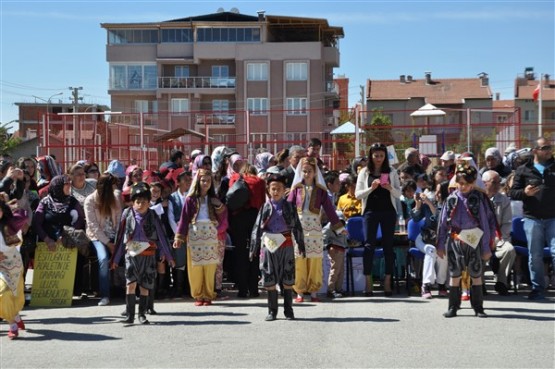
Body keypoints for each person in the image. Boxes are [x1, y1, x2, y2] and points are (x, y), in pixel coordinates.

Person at [437, 163, 496, 318]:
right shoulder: (451, 199)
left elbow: (484, 223)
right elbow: (443, 223)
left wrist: (486, 248)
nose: (463, 187)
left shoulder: (478, 200)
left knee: (476, 274)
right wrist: (440, 244)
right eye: (460, 183)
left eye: (467, 184)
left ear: (473, 183)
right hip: (455, 240)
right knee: (455, 274)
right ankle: (453, 307)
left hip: (474, 240)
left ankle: (478, 307)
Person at [111, 182, 175, 324]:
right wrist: (115, 259)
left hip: (148, 255)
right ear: (132, 202)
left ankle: (142, 314)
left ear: (149, 202)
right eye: (137, 202)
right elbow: (120, 237)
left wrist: (168, 256)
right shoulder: (127, 214)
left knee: (145, 285)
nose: (141, 205)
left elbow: (162, 237)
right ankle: (129, 314)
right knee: (131, 283)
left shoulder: (153, 215)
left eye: (144, 202)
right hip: (131, 255)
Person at [288, 157, 345, 302]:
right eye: (304, 171)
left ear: (315, 173)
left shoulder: (321, 191)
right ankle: (300, 291)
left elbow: (330, 210)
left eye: (309, 171)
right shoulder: (296, 189)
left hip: (314, 228)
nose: (306, 174)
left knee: (314, 259)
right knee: (299, 259)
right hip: (299, 228)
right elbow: (287, 208)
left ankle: (313, 291)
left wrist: (339, 228)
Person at [250, 172, 305, 320]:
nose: (276, 192)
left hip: (286, 243)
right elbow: (256, 228)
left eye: (279, 188)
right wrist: (254, 247)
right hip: (269, 244)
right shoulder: (265, 207)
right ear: (268, 189)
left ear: (284, 190)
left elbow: (297, 227)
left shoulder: (289, 207)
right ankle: (272, 311)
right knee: (269, 275)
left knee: (288, 276)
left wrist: (301, 244)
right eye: (273, 188)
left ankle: (288, 310)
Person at [173, 169, 228, 306]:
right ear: (198, 181)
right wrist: (179, 237)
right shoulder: (190, 199)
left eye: (208, 181)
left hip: (210, 235)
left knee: (209, 266)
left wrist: (220, 207)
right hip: (195, 235)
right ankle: (198, 295)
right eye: (203, 180)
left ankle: (208, 294)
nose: (206, 183)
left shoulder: (214, 199)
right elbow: (184, 219)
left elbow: (223, 217)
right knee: (196, 266)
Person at [509, 137, 555, 300]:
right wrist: (525, 193)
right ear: (535, 150)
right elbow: (512, 193)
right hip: (532, 219)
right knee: (535, 255)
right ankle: (537, 289)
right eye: (545, 148)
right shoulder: (523, 170)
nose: (549, 150)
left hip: (553, 218)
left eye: (550, 147)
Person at [355, 143, 401, 297]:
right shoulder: (364, 172)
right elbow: (358, 195)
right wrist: (371, 188)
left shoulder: (392, 171)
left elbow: (398, 194)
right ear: (371, 156)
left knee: (388, 246)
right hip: (370, 212)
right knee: (369, 245)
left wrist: (389, 188)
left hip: (388, 211)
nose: (378, 159)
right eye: (376, 156)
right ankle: (368, 281)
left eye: (381, 156)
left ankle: (388, 280)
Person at [228, 163, 266, 298]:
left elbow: (230, 197)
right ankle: (254, 289)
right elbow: (263, 202)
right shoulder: (260, 181)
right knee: (254, 252)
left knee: (240, 252)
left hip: (238, 217)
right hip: (254, 217)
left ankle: (242, 290)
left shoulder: (235, 178)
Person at [84, 173, 122, 306]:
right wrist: (108, 243)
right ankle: (105, 295)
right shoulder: (90, 200)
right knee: (103, 258)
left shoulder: (116, 197)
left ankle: (132, 292)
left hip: (114, 236)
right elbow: (92, 225)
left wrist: (117, 240)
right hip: (97, 237)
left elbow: (119, 220)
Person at [413, 180, 449, 298]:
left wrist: (429, 203)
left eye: (439, 192)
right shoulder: (429, 203)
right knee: (431, 250)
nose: (437, 193)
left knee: (442, 253)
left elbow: (440, 220)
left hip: (441, 238)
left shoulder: (449, 205)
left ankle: (441, 283)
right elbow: (416, 218)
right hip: (424, 238)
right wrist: (418, 205)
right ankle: (426, 284)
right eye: (436, 191)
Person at [482, 170, 516, 296]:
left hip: (498, 237)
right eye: (494, 182)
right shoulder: (478, 198)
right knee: (475, 250)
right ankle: (479, 283)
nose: (497, 185)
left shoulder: (504, 200)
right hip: (480, 238)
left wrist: (497, 239)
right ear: (484, 183)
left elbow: (507, 223)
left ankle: (501, 281)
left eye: (499, 182)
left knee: (509, 250)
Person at [0, 197, 29, 339]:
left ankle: (16, 316)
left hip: (14, 264)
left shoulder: (10, 224)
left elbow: (23, 214)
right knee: (3, 293)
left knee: (15, 295)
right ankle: (12, 324)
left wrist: (8, 205)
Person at [167, 170, 193, 298]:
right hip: (178, 234)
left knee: (191, 261)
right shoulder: (173, 197)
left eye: (190, 179)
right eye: (185, 180)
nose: (188, 182)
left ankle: (189, 288)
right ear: (178, 182)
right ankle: (178, 287)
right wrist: (179, 234)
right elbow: (171, 217)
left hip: (192, 234)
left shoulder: (193, 196)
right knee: (179, 260)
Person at [324, 211, 348, 298]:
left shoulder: (341, 226)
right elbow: (323, 237)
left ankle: (338, 289)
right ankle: (331, 290)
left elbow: (344, 238)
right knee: (335, 270)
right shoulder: (328, 227)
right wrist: (327, 246)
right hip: (335, 249)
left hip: (341, 249)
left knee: (340, 271)